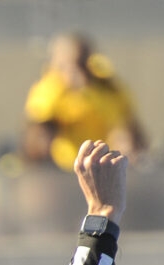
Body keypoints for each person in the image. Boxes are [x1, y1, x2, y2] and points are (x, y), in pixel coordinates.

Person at [24, 33, 146, 170]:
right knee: (38, 134)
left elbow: (124, 124)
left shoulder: (107, 87)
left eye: (80, 64)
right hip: (62, 165)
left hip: (101, 164)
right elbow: (37, 128)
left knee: (127, 136)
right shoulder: (49, 88)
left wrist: (88, 90)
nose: (74, 71)